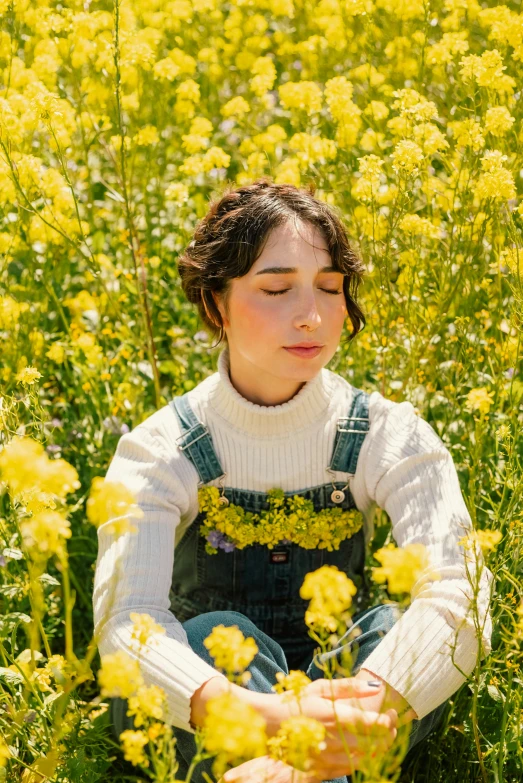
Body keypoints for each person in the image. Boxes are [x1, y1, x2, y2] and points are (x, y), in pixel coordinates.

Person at [93, 178, 493, 783]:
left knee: (394, 633)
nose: (311, 315)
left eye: (330, 288)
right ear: (215, 304)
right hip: (221, 703)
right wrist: (271, 720)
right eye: (277, 288)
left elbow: (460, 595)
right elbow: (129, 624)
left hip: (348, 687)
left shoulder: (389, 434)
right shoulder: (161, 448)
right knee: (211, 635)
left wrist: (355, 710)